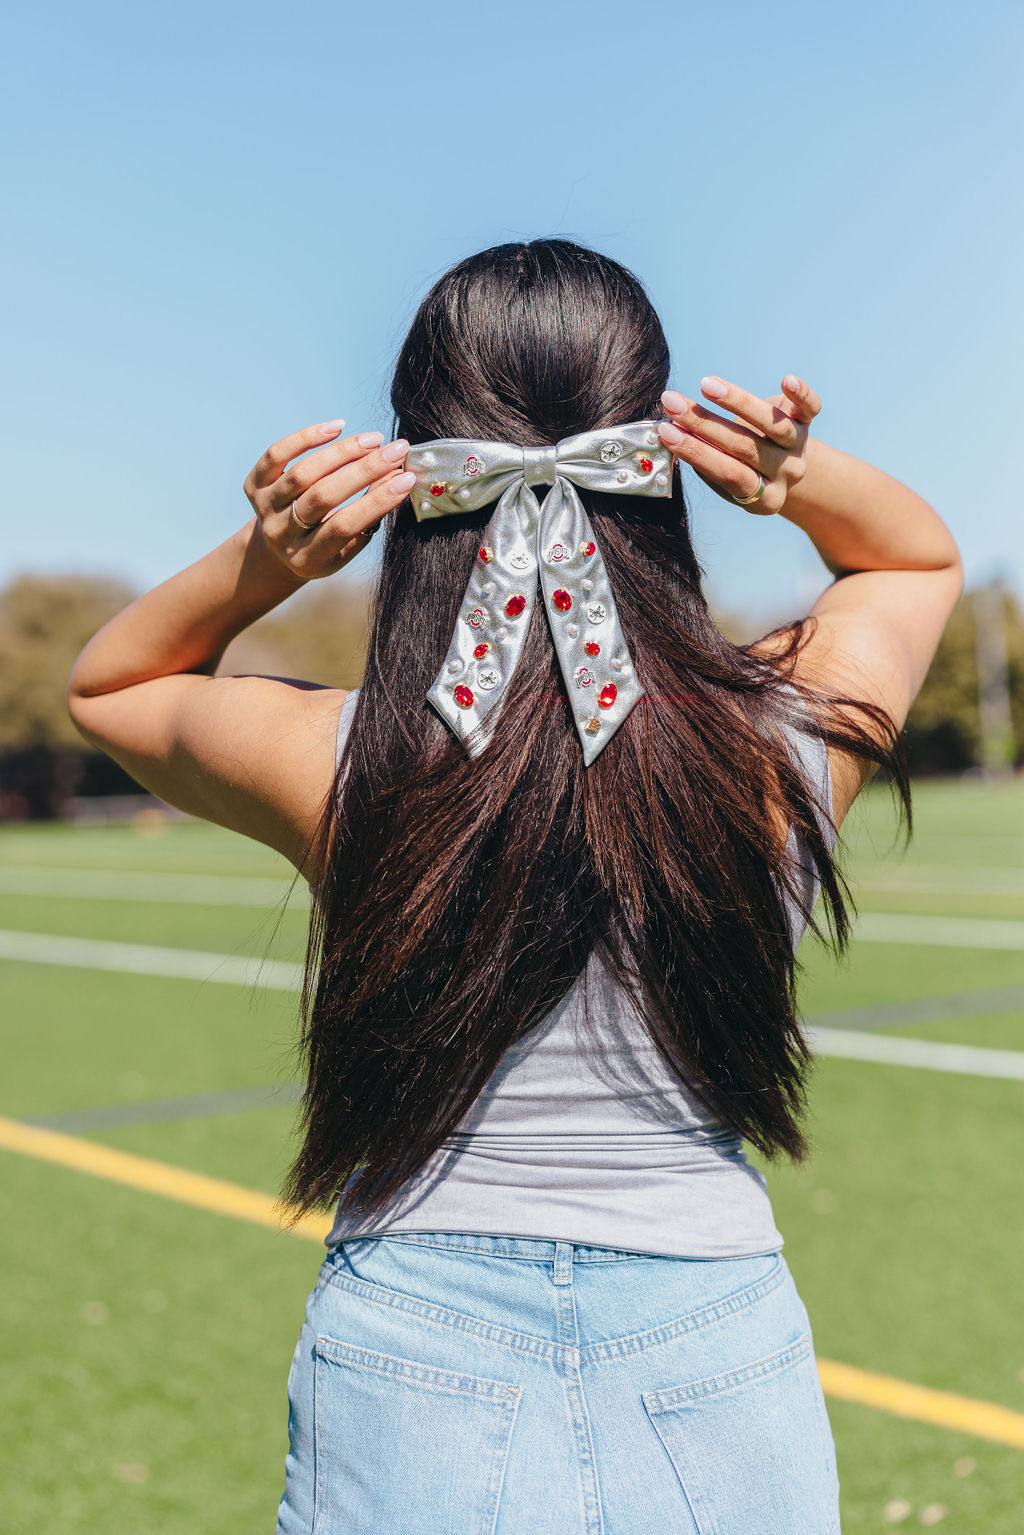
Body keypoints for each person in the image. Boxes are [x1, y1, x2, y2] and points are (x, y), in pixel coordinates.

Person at [68, 239, 962, 1535]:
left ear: (414, 468)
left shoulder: (349, 761)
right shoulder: (770, 747)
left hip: (410, 1333)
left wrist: (268, 559)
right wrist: (795, 477)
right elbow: (915, 564)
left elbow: (111, 686)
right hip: (712, 1332)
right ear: (660, 454)